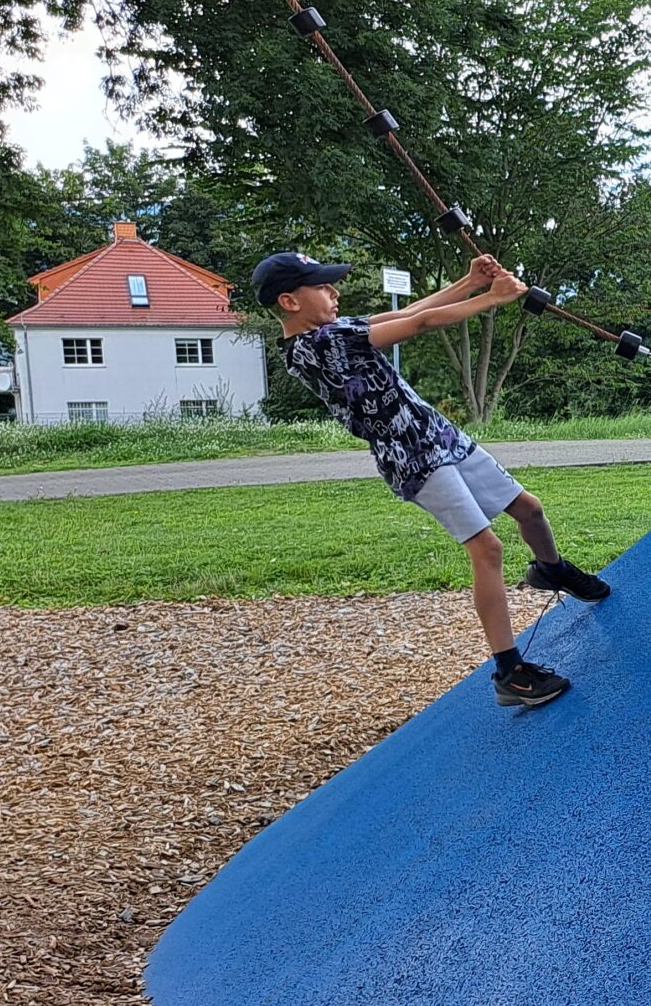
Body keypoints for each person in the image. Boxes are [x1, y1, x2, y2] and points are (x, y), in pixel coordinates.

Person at [260, 250, 609, 709]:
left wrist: (470, 283)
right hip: (411, 456)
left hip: (437, 433)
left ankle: (551, 570)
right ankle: (510, 672)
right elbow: (420, 324)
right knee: (487, 548)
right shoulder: (319, 345)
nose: (334, 291)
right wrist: (492, 299)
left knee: (529, 509)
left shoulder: (332, 331)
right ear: (289, 301)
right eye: (322, 286)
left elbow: (405, 313)